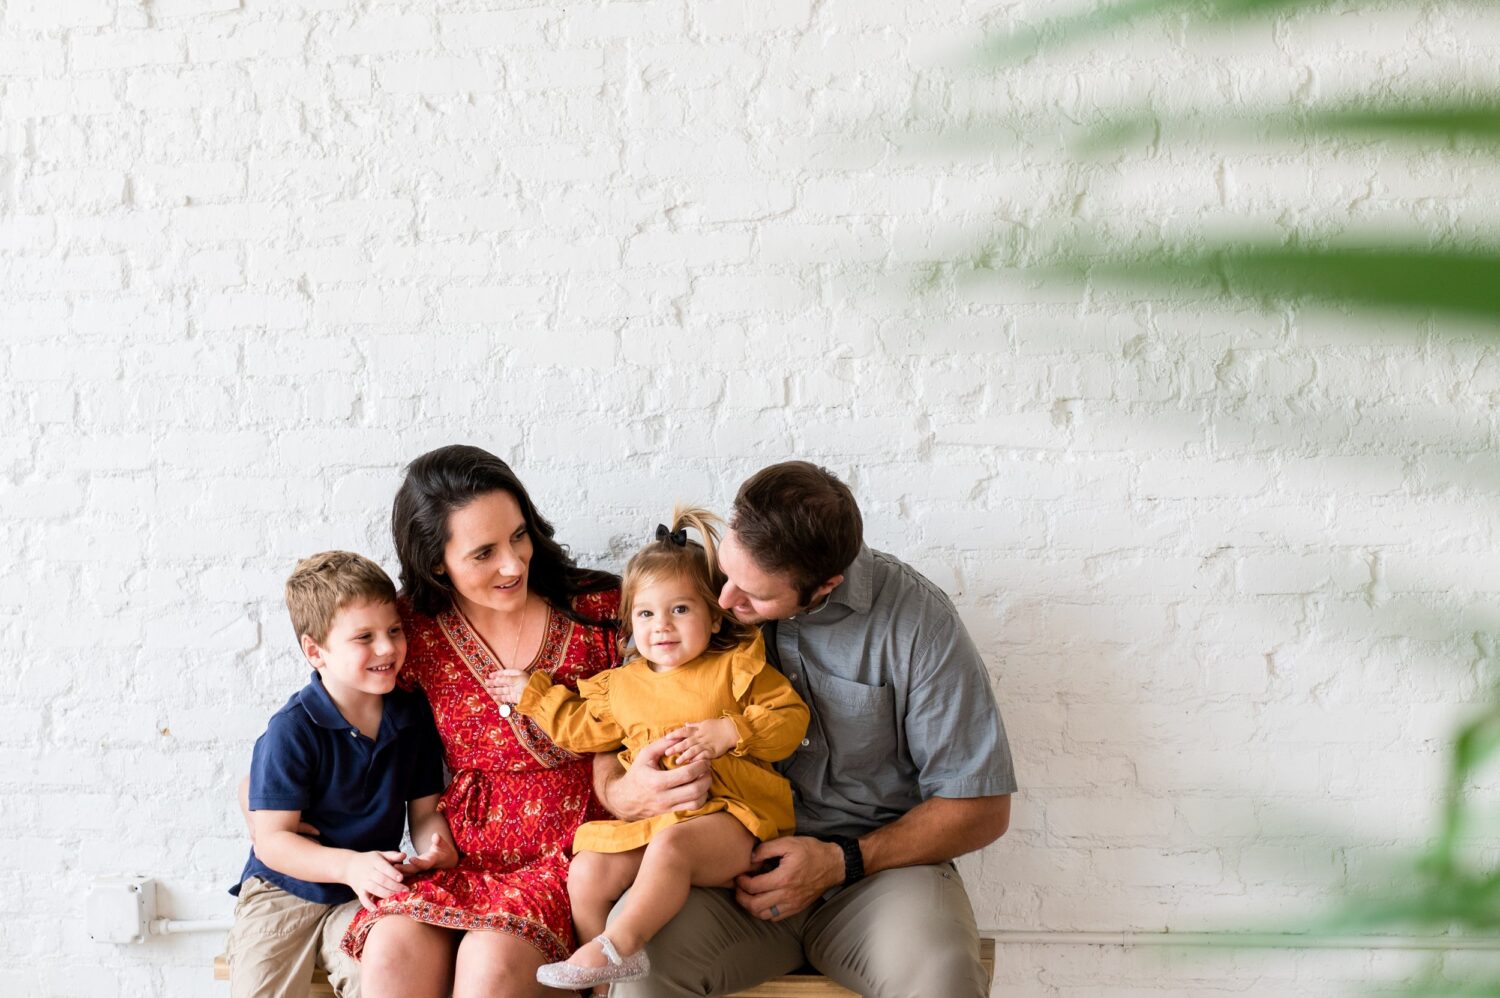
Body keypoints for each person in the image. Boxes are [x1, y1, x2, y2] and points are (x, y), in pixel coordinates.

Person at [600, 462, 1017, 998]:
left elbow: (981, 805)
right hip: (727, 868)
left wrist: (841, 861)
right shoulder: (697, 580)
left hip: (874, 877)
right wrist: (620, 789)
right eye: (727, 573)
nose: (724, 602)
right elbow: (610, 710)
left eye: (755, 596)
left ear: (825, 585)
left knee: (944, 981)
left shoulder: (916, 622)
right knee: (639, 971)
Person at [488, 507, 810, 991]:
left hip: (733, 824)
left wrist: (732, 732)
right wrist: (533, 696)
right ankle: (605, 985)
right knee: (588, 871)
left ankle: (618, 945)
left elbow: (791, 721)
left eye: (680, 609)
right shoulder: (622, 686)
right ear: (630, 621)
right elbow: (581, 729)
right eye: (646, 613)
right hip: (654, 823)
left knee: (673, 845)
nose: (661, 626)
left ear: (713, 613)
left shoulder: (734, 667)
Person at [343, 445, 622, 998]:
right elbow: (350, 715)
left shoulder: (603, 609)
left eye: (519, 536)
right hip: (464, 858)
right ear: (434, 563)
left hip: (573, 858)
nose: (514, 564)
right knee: (393, 949)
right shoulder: (410, 632)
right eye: (484, 552)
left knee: (490, 964)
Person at [226, 551, 456, 998]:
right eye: (364, 638)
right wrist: (347, 864)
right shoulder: (293, 729)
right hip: (283, 888)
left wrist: (435, 846)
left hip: (361, 892)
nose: (387, 648)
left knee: (382, 976)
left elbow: (424, 812)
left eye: (393, 631)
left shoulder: (412, 719)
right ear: (316, 651)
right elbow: (273, 841)